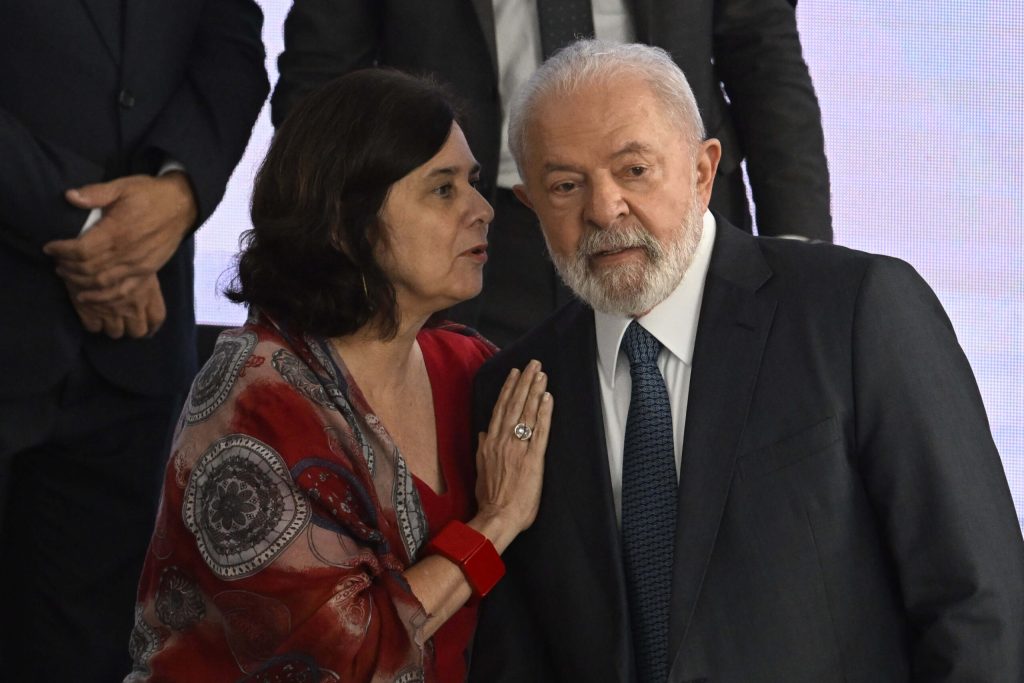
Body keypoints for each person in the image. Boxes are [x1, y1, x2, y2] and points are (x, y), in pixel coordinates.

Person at [468, 40, 1024, 682]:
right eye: (566, 185)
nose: (604, 209)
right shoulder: (515, 390)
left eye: (634, 170)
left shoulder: (854, 311)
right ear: (530, 205)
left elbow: (979, 603)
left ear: (703, 171)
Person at [126, 69, 552, 682]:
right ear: (342, 224)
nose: (483, 210)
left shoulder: (470, 366)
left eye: (474, 183)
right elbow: (343, 663)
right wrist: (496, 522)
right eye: (442, 190)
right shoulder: (255, 402)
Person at [270, 0, 832, 347]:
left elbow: (763, 54)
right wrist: (323, 251)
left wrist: (795, 249)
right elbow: (321, 79)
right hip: (474, 229)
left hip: (665, 213)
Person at [0, 2, 269, 680]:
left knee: (85, 655)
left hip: (131, 359)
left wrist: (179, 191)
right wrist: (96, 233)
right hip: (59, 291)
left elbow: (231, 50)